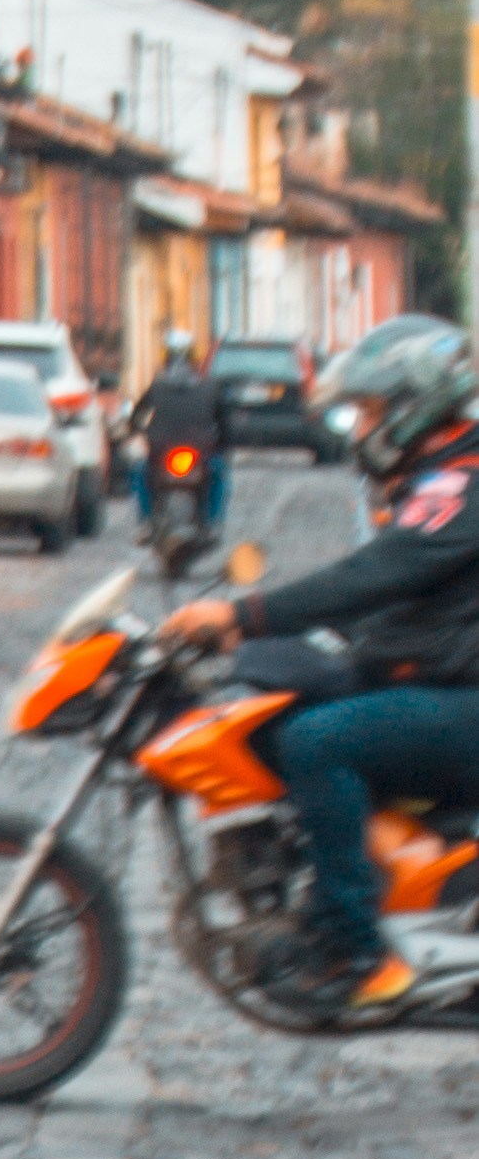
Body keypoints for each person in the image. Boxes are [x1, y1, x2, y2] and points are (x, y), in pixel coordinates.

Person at [160, 319, 479, 1012]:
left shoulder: (459, 483)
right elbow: (389, 604)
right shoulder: (441, 477)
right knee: (284, 713)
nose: (357, 425)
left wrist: (243, 616)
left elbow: (375, 574)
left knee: (317, 740)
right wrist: (251, 644)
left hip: (465, 703)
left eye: (366, 410)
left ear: (409, 408)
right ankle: (343, 891)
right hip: (442, 680)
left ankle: (355, 951)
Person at [124, 334, 230, 550]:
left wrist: (136, 431)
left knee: (140, 473)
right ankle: (211, 522)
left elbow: (136, 417)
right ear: (195, 360)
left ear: (165, 359)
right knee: (219, 475)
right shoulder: (210, 387)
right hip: (200, 452)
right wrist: (223, 444)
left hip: (161, 452)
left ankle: (146, 522)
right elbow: (225, 423)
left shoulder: (158, 386)